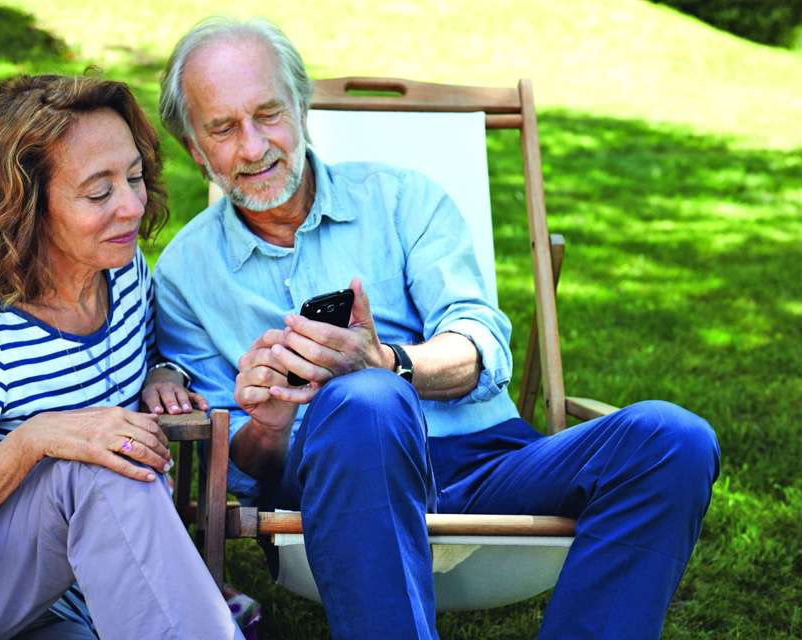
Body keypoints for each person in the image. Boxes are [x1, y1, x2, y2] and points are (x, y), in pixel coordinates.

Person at [149, 17, 721, 640]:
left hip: (488, 464)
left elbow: (478, 344)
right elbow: (241, 469)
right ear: (193, 149)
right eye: (223, 128)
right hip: (343, 481)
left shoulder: (403, 201)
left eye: (268, 114)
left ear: (303, 109)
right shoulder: (183, 276)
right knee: (364, 403)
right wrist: (270, 420)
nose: (254, 146)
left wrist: (390, 362)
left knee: (675, 439)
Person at [0, 74, 243, 640]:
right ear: (29, 206)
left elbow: (151, 348)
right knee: (102, 466)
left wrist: (162, 371)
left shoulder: (123, 276)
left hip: (45, 601)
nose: (131, 206)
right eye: (99, 192)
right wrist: (36, 439)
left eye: (133, 178)